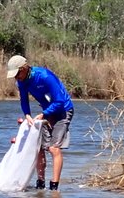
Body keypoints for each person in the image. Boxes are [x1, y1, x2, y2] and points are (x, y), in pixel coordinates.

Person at [6, 54, 74, 190]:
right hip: (45, 113)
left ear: (24, 68)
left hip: (63, 110)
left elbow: (59, 101)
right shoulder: (21, 82)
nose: (16, 77)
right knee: (39, 149)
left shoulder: (44, 76)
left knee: (54, 148)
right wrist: (27, 115)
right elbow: (24, 100)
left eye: (17, 74)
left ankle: (54, 187)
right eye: (14, 75)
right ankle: (40, 184)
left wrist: (44, 114)